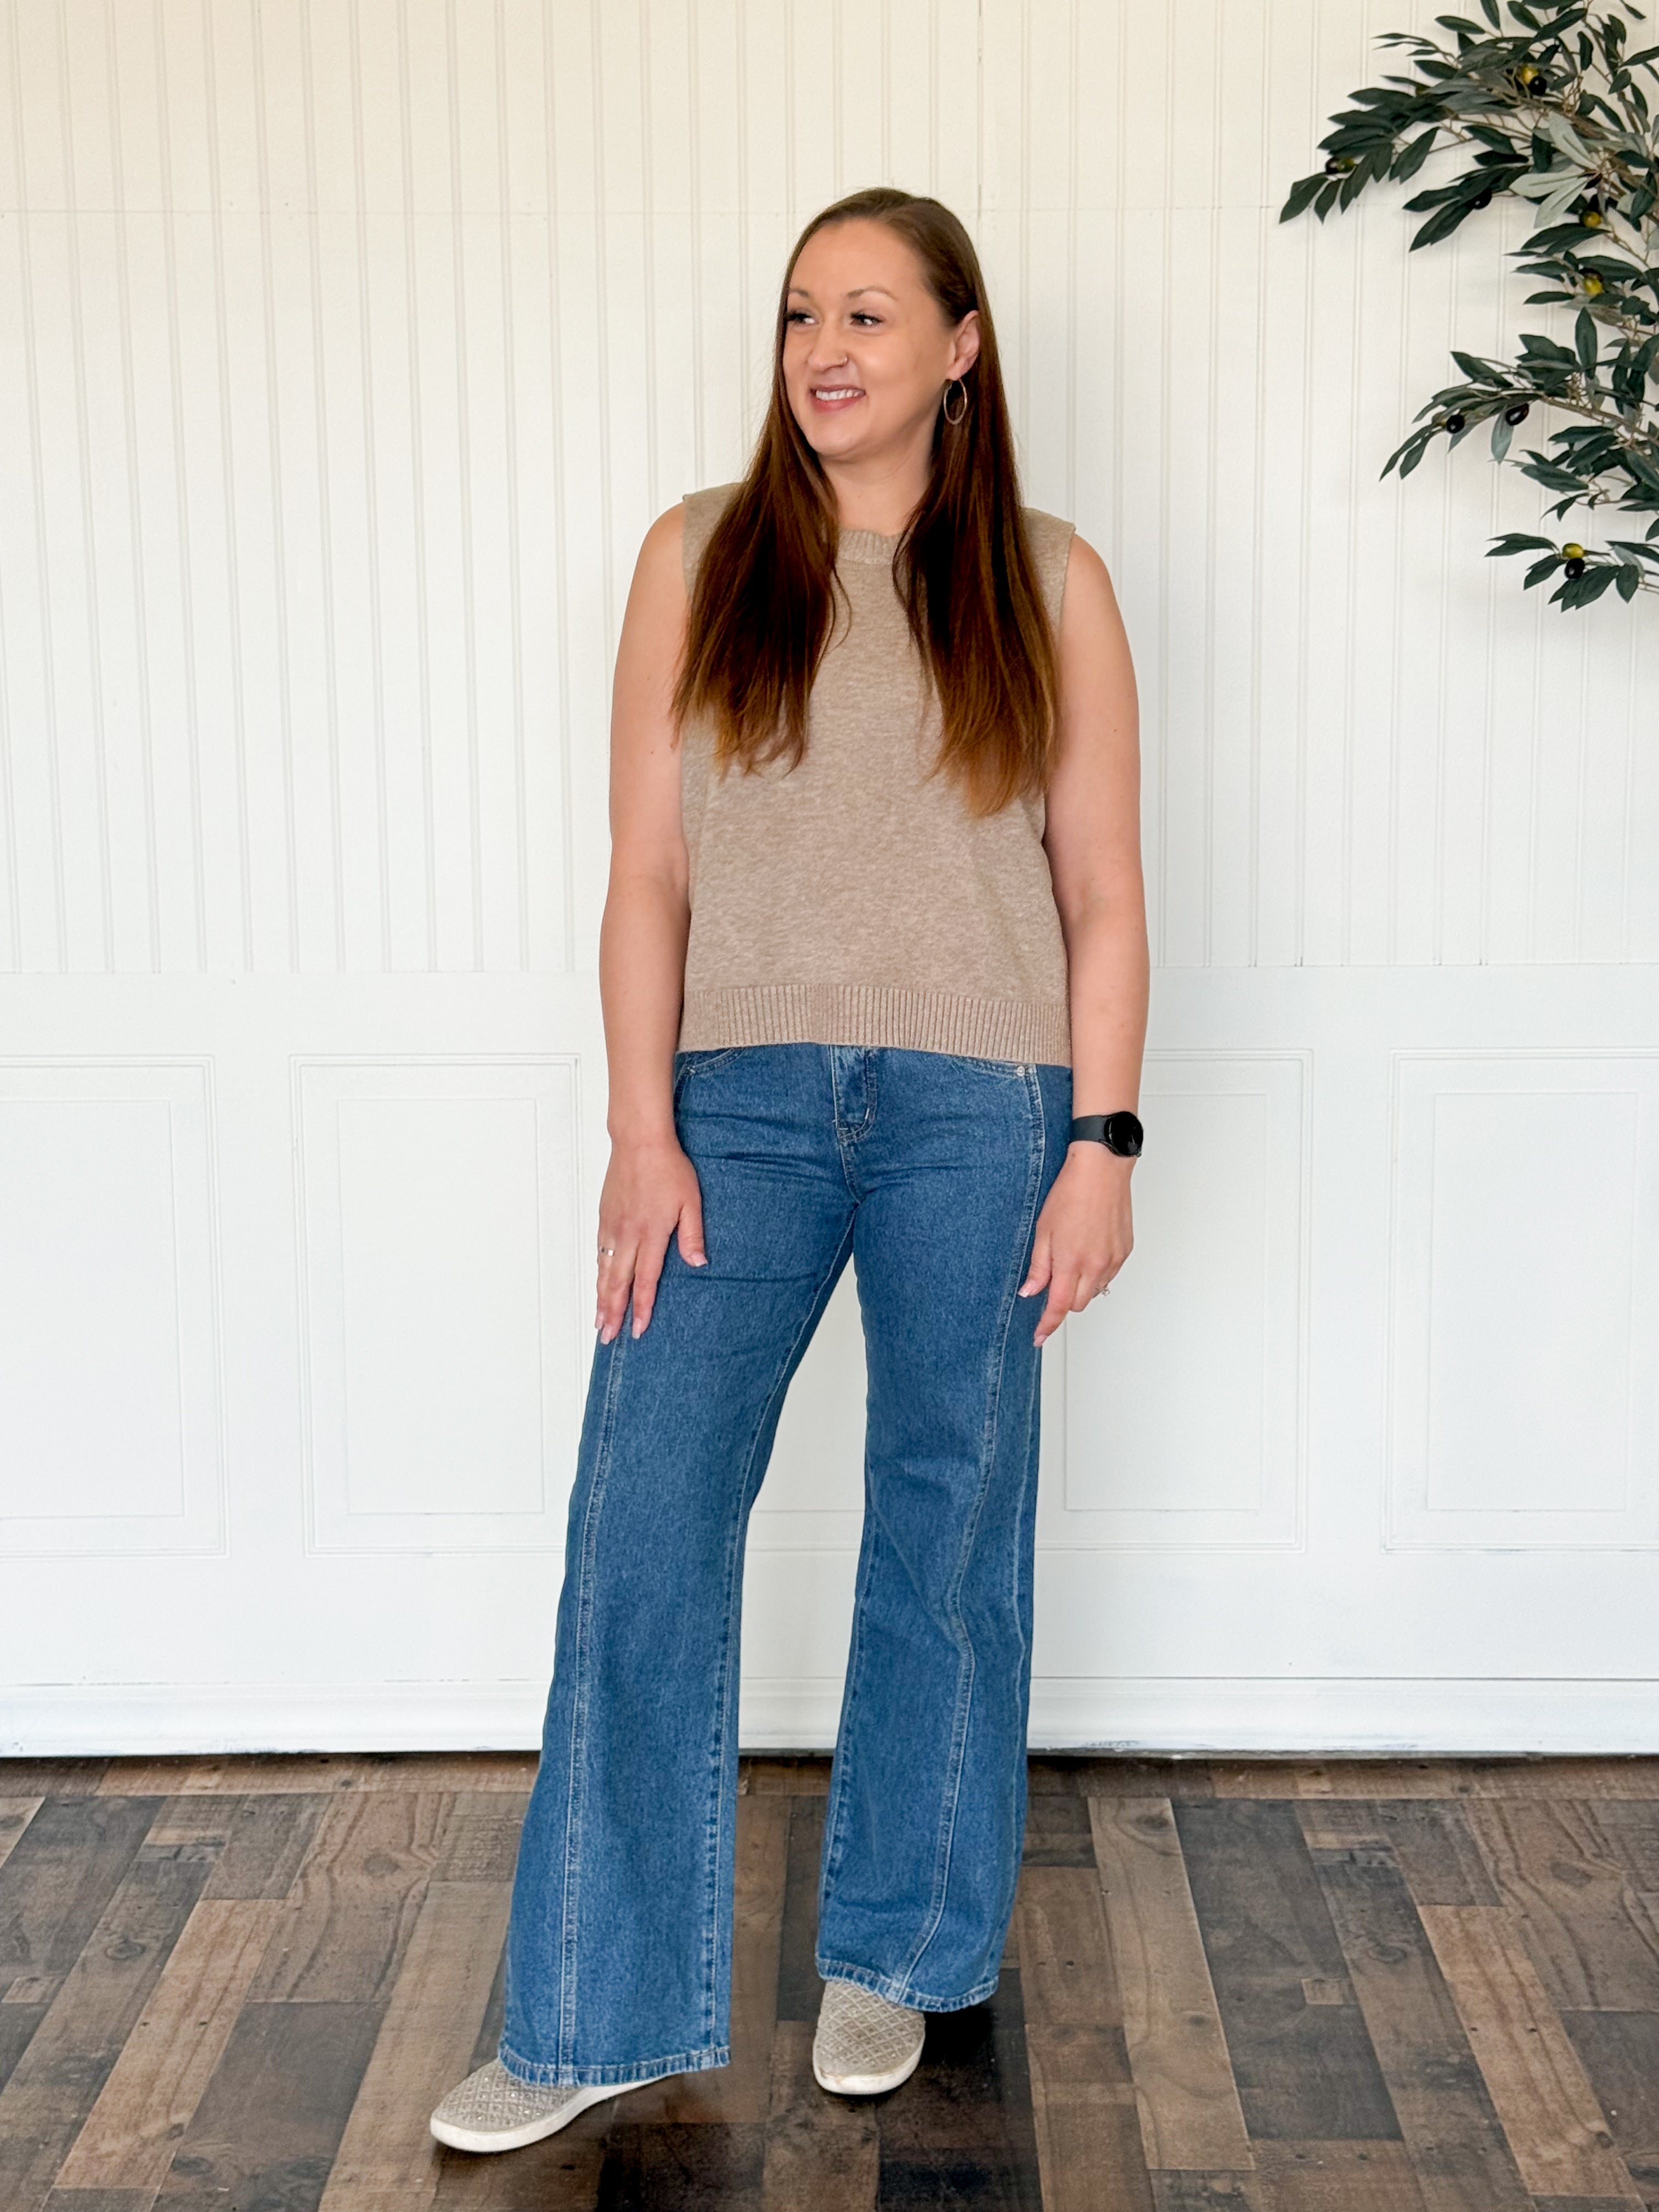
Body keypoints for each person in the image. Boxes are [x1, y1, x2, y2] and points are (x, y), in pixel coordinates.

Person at [430, 183, 1146, 2155]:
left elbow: (1100, 890)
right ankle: (592, 2012)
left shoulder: (1053, 580)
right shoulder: (700, 555)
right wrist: (639, 1129)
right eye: (800, 314)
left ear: (961, 348)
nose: (825, 349)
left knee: (944, 1527)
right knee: (643, 1523)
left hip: (984, 1106)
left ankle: (898, 1952)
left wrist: (1101, 1141)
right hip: (732, 1106)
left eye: (870, 314)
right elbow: (648, 873)